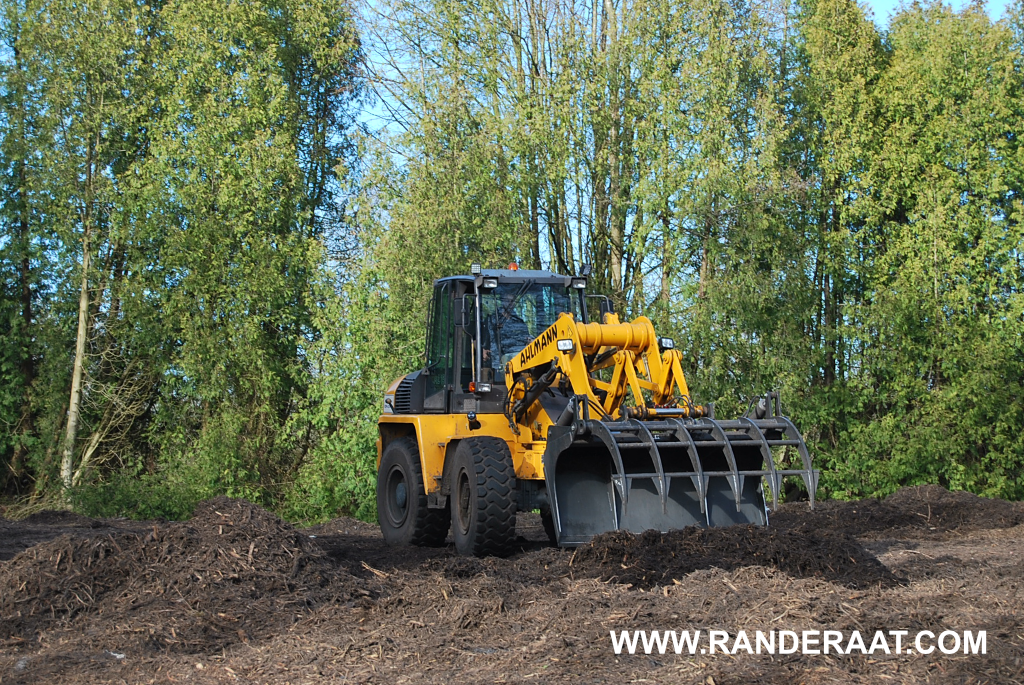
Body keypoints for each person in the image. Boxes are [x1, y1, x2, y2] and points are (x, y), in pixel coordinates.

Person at [481, 289, 533, 370]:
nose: (510, 303)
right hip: (497, 366)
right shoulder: (491, 320)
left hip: (519, 365)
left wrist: (531, 341)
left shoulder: (519, 322)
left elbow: (526, 339)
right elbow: (478, 340)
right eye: (507, 300)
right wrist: (482, 351)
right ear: (502, 301)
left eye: (512, 301)